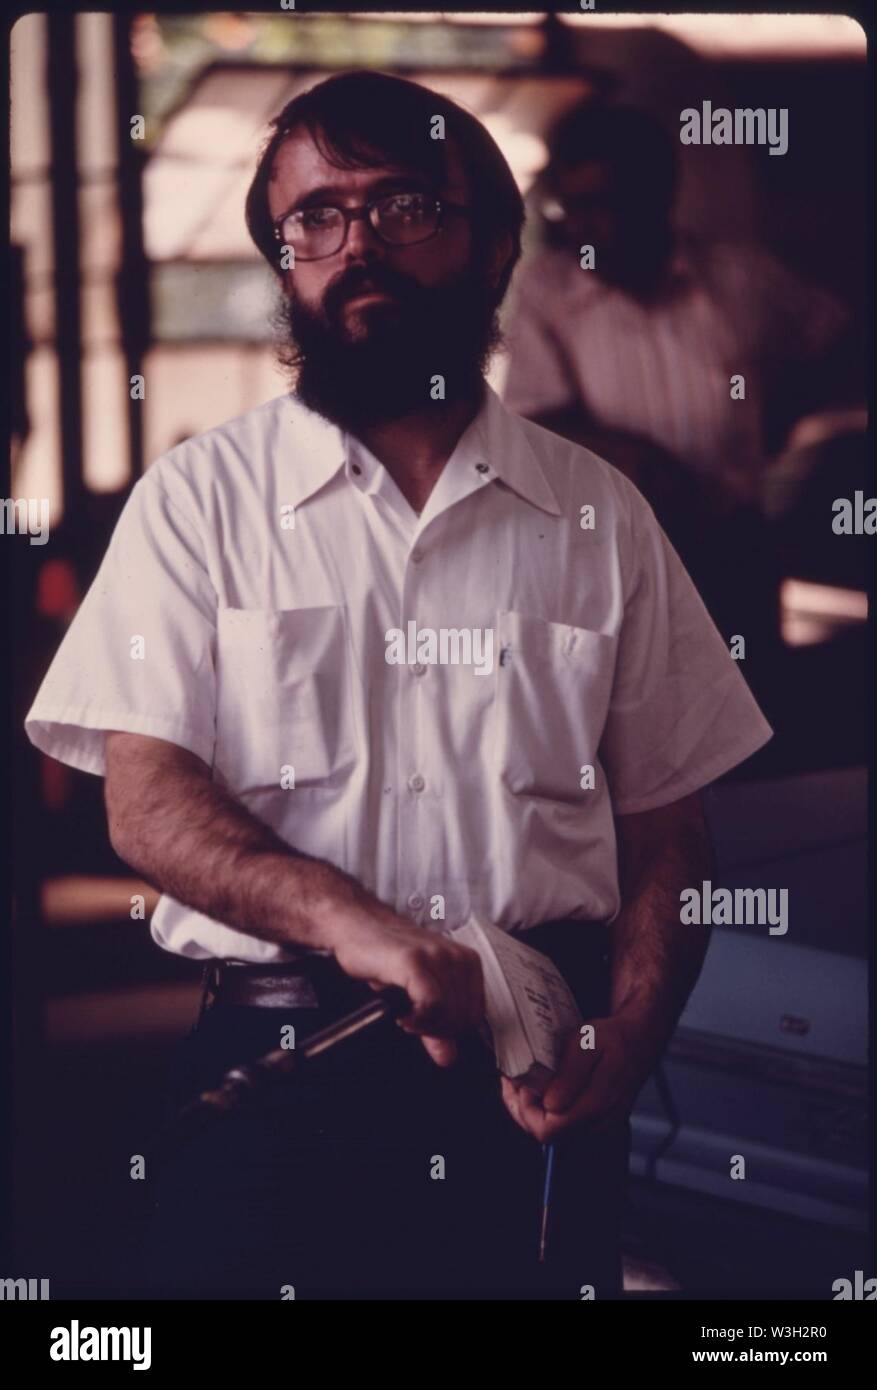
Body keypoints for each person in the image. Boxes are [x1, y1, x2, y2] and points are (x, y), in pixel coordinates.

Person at [24, 71, 772, 1300]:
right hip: (279, 1051)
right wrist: (353, 924)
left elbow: (667, 826)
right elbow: (144, 803)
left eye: (403, 204)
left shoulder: (599, 515)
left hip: (537, 1068)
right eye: (313, 218)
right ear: (283, 259)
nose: (353, 243)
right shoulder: (200, 503)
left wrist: (630, 1036)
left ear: (491, 248)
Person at [502, 103, 856, 656]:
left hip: (735, 548)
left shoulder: (741, 279)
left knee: (747, 705)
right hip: (610, 560)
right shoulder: (549, 293)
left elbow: (839, 343)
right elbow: (536, 420)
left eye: (605, 204)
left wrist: (783, 426)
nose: (585, 226)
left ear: (658, 196)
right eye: (573, 206)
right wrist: (642, 464)